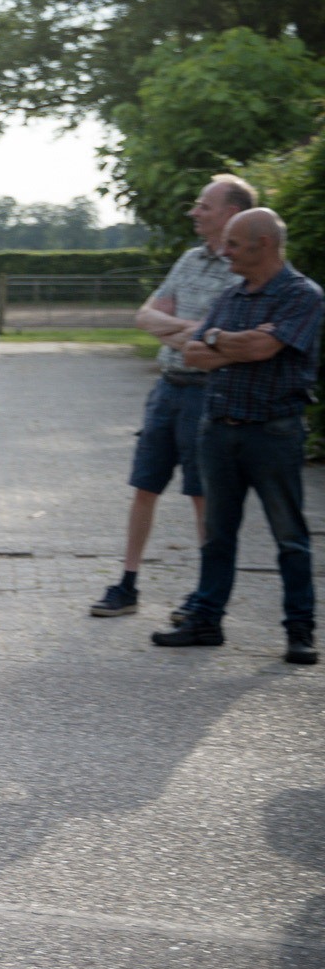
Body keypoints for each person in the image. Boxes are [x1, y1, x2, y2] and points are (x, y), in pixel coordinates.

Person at [151, 208, 322, 664]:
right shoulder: (230, 296)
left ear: (262, 244)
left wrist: (220, 341)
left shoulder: (301, 294)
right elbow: (192, 354)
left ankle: (300, 631)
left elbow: (262, 347)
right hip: (219, 430)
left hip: (274, 433)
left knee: (289, 536)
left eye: (232, 244)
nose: (223, 253)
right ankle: (206, 621)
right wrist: (232, 341)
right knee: (217, 535)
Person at [90, 176, 257, 618]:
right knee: (144, 486)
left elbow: (225, 340)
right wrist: (195, 332)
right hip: (167, 389)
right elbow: (146, 317)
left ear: (232, 213)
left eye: (203, 206)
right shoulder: (190, 259)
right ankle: (127, 585)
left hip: (209, 394)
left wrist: (188, 333)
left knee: (203, 496)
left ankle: (205, 595)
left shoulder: (245, 269)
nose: (194, 212)